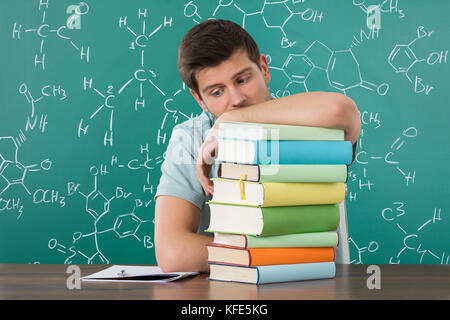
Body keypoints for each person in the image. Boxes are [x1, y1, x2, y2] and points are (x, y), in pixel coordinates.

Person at [154, 19, 361, 273]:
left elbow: (341, 111)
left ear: (264, 68)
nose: (237, 100)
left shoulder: (308, 118)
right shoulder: (191, 137)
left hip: (318, 285)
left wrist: (230, 120)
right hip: (236, 293)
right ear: (199, 99)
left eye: (242, 80)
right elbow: (174, 251)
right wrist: (278, 257)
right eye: (217, 92)